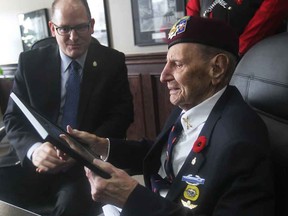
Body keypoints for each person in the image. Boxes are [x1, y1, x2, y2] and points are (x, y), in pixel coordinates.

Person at [61, 16, 275, 216]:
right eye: (166, 63)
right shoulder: (191, 105)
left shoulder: (241, 142)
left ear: (217, 68)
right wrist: (102, 146)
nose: (163, 76)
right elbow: (163, 154)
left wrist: (131, 198)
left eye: (178, 64)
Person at [3, 0, 133, 215]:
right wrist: (34, 150)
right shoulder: (30, 63)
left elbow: (121, 116)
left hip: (83, 165)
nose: (73, 37)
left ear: (91, 25)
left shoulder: (112, 62)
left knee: (69, 207)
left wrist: (82, 150)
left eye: (81, 27)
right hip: (37, 158)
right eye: (64, 28)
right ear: (53, 28)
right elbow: (13, 118)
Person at [186, 0, 288, 56]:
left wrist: (239, 49)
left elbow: (271, 12)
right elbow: (192, 14)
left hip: (254, 56)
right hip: (208, 54)